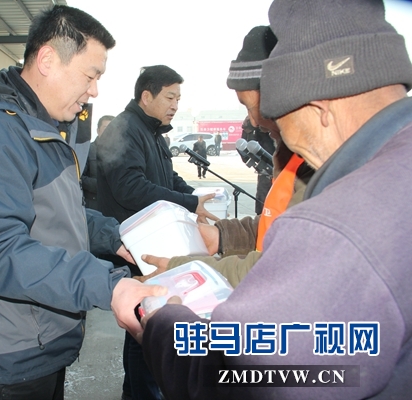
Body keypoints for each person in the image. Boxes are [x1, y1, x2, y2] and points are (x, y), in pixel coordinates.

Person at [140, 1, 412, 399]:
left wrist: (163, 323)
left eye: (278, 118)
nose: (266, 129)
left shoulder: (340, 226)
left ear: (319, 108)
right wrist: (225, 236)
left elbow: (245, 378)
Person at [0, 6, 164, 400]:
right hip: (9, 354)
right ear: (47, 60)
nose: (94, 91)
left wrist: (118, 237)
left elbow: (60, 213)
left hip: (40, 338)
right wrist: (108, 285)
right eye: (90, 75)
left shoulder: (43, 126)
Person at [138, 25, 313, 290]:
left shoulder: (319, 164)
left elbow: (282, 264)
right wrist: (221, 236)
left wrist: (184, 268)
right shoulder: (291, 154)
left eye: (257, 107)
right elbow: (278, 227)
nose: (255, 121)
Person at [97, 65, 216, 400]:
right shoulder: (125, 129)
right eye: (170, 97)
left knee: (143, 327)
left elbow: (168, 178)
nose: (175, 105)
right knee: (147, 328)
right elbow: (130, 188)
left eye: (178, 98)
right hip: (135, 247)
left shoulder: (152, 132)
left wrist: (194, 198)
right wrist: (188, 202)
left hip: (154, 243)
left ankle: (134, 393)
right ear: (146, 96)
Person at [240, 116, 276, 214]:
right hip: (265, 172)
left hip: (283, 170)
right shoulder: (252, 124)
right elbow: (243, 148)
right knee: (263, 205)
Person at [82, 114, 114, 210]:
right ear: (98, 130)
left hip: (114, 206)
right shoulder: (87, 150)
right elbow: (79, 178)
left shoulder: (122, 152)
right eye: (106, 128)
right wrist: (101, 185)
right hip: (93, 205)